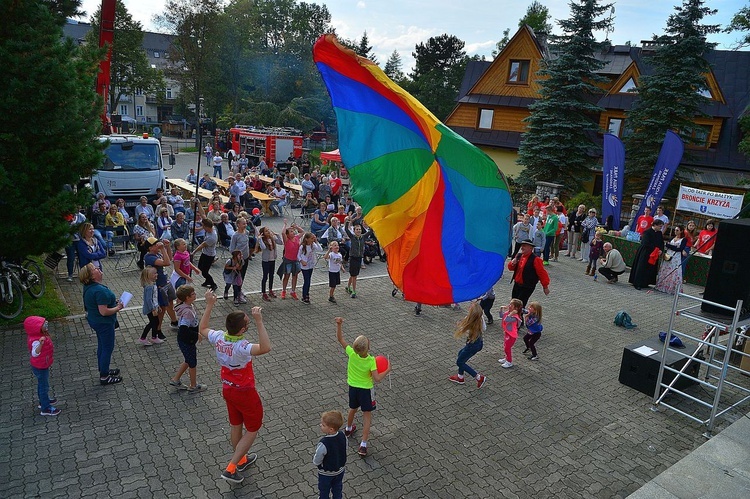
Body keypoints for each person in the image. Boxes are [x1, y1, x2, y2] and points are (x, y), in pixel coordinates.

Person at [203, 293, 271, 484]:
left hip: (228, 389)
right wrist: (259, 321)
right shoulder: (242, 346)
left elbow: (203, 328)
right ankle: (231, 468)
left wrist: (209, 305)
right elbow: (265, 348)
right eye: (248, 322)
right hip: (245, 393)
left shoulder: (218, 337)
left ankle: (241, 459)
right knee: (252, 428)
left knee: (236, 425)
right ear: (242, 329)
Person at [335, 317, 391, 457]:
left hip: (353, 388)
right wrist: (388, 370)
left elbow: (340, 339)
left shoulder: (352, 354)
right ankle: (363, 445)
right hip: (366, 391)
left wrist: (339, 325)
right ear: (368, 348)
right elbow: (377, 378)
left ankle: (348, 429)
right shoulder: (371, 361)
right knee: (367, 416)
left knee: (352, 408)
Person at [80, 263, 123, 385]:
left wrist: (113, 302)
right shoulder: (99, 290)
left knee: (102, 346)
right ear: (91, 276)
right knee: (107, 348)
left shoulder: (89, 287)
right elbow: (104, 312)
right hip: (103, 323)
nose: (98, 269)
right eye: (95, 269)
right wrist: (118, 307)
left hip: (94, 320)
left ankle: (103, 368)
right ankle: (104, 376)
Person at [169, 285, 206, 393]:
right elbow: (183, 329)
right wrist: (196, 335)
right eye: (193, 294)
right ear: (187, 298)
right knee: (192, 363)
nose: (195, 294)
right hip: (187, 341)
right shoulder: (187, 312)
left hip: (185, 341)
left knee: (188, 360)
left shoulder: (186, 306)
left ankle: (175, 379)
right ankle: (193, 386)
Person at [26, 316, 60, 416]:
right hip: (40, 366)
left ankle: (43, 401)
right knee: (44, 386)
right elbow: (35, 353)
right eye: (44, 325)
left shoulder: (38, 335)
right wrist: (41, 344)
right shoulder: (37, 340)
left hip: (42, 364)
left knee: (42, 385)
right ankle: (46, 408)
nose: (46, 326)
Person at [448, 302, 488, 388]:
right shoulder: (479, 318)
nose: (469, 307)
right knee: (460, 354)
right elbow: (484, 328)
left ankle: (479, 377)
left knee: (460, 362)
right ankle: (460, 377)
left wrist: (460, 324)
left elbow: (463, 328)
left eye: (471, 307)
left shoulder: (470, 320)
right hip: (478, 343)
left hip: (472, 345)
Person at [144, 237, 177, 337]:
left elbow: (170, 258)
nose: (158, 245)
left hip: (166, 282)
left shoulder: (156, 253)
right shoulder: (149, 257)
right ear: (150, 248)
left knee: (170, 303)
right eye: (155, 245)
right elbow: (166, 263)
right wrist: (162, 249)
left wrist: (167, 247)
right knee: (162, 308)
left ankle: (174, 321)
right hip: (159, 286)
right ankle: (158, 329)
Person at [313, 410, 347, 499]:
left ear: (331, 429)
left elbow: (318, 457)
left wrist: (317, 463)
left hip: (326, 473)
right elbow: (344, 447)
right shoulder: (342, 435)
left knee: (324, 489)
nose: (320, 425)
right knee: (337, 487)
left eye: (323, 425)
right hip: (340, 470)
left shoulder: (324, 443)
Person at [507, 240, 551, 307]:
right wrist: (512, 263)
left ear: (530, 248)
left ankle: (519, 317)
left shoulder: (536, 259)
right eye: (522, 246)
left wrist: (545, 287)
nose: (522, 247)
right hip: (517, 285)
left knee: (519, 306)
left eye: (524, 246)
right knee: (513, 305)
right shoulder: (519, 256)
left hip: (527, 286)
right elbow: (510, 268)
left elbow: (542, 273)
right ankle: (516, 317)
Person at [628, 219, 665, 290]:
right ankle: (637, 283)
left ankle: (645, 282)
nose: (661, 228)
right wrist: (656, 248)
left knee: (650, 268)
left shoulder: (659, 233)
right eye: (660, 226)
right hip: (645, 252)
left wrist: (660, 249)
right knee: (641, 267)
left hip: (654, 253)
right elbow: (645, 243)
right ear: (655, 225)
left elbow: (661, 242)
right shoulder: (647, 232)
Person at [655, 225, 687, 295]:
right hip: (668, 255)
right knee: (665, 269)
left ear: (681, 231)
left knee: (674, 271)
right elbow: (667, 244)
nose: (675, 232)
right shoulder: (672, 238)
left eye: (677, 230)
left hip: (676, 257)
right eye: (675, 230)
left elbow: (680, 248)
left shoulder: (683, 239)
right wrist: (673, 246)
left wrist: (671, 246)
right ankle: (662, 285)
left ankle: (672, 288)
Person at [344, 219, 370, 298]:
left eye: (359, 229)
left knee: (353, 275)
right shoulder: (352, 237)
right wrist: (347, 222)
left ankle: (348, 287)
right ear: (354, 231)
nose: (358, 231)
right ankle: (354, 291)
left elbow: (371, 231)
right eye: (357, 229)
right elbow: (346, 229)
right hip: (353, 258)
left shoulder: (363, 237)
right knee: (354, 275)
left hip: (359, 258)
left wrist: (371, 223)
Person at [192, 218, 219, 291]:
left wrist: (194, 252)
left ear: (207, 227)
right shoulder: (210, 228)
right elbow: (204, 215)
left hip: (209, 255)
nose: (202, 227)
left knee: (205, 272)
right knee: (200, 267)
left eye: (204, 226)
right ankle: (207, 281)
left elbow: (202, 245)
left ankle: (213, 284)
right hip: (205, 253)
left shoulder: (212, 237)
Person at [280, 220, 303, 300]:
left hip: (295, 260)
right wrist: (285, 224)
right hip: (288, 260)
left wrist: (296, 227)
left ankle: (293, 291)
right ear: (287, 234)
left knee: (295, 276)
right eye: (291, 232)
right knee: (286, 276)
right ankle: (283, 290)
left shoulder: (296, 238)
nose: (293, 232)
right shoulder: (286, 241)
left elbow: (302, 232)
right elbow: (283, 233)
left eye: (293, 231)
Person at [258, 226, 282, 301]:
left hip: (272, 260)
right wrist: (259, 239)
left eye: (268, 230)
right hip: (266, 261)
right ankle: (264, 292)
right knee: (265, 276)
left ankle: (270, 290)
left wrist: (277, 235)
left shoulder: (272, 239)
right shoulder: (263, 240)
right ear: (263, 233)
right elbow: (263, 247)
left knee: (272, 275)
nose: (268, 232)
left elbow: (281, 242)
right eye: (266, 231)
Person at [498, 298, 523, 368]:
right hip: (507, 333)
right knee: (506, 346)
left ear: (516, 308)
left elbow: (506, 320)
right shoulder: (508, 313)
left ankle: (509, 361)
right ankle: (506, 358)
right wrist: (501, 309)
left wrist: (511, 313)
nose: (509, 306)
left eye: (511, 305)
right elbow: (501, 316)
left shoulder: (515, 317)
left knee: (507, 348)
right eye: (510, 304)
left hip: (512, 335)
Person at [298, 232, 323, 304]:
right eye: (311, 238)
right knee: (307, 281)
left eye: (313, 238)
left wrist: (316, 241)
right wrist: (301, 261)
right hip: (304, 266)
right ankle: (304, 296)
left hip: (311, 265)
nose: (313, 240)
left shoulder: (313, 245)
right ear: (306, 239)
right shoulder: (302, 247)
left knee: (308, 281)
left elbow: (320, 249)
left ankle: (306, 294)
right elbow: (298, 255)